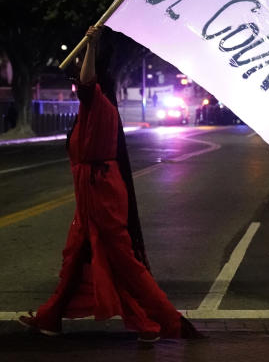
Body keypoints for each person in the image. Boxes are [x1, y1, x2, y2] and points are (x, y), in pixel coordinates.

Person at [19, 25, 200, 343]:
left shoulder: (98, 101)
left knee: (122, 262)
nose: (75, 69)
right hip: (92, 191)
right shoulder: (93, 106)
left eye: (80, 64)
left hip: (101, 192)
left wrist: (90, 46)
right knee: (77, 255)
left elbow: (87, 81)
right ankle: (51, 317)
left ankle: (164, 322)